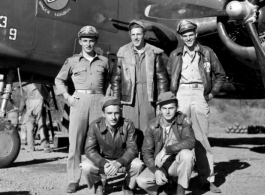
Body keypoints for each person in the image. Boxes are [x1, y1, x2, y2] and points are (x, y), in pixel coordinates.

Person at [167, 20, 226, 193]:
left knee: (201, 139)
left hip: (200, 94)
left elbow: (220, 75)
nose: (188, 38)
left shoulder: (207, 52)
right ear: (181, 37)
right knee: (178, 137)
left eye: (190, 34)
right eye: (184, 36)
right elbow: (170, 76)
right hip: (181, 94)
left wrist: (211, 94)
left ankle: (207, 179)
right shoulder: (175, 55)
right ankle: (176, 179)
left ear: (196, 34)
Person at [55, 26, 110, 193]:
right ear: (80, 42)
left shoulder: (104, 61)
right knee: (75, 143)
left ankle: (98, 179)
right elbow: (59, 80)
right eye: (85, 40)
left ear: (95, 41)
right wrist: (67, 97)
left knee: (98, 143)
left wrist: (106, 99)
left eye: (91, 40)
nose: (88, 43)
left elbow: (109, 81)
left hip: (98, 102)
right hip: (79, 102)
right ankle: (73, 179)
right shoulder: (72, 61)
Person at [111, 19, 169, 139]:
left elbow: (162, 78)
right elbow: (116, 79)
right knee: (129, 127)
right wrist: (116, 102)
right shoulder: (122, 52)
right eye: (133, 34)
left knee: (148, 127)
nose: (136, 37)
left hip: (148, 95)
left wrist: (162, 102)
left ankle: (146, 155)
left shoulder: (154, 52)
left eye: (138, 34)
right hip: (129, 96)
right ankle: (130, 155)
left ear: (144, 35)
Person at [81, 96, 143, 195]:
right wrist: (104, 163)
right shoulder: (94, 125)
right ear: (103, 114)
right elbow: (89, 150)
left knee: (138, 164)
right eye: (109, 113)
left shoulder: (128, 125)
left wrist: (119, 162)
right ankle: (98, 184)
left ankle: (127, 185)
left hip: (123, 160)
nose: (113, 117)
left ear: (121, 112)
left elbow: (132, 149)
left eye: (116, 113)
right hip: (103, 161)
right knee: (86, 166)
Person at [136, 91, 195, 195]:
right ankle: (162, 185)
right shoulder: (152, 125)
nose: (167, 112)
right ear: (159, 109)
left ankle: (180, 190)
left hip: (176, 164)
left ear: (177, 108)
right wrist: (156, 170)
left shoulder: (184, 120)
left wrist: (166, 150)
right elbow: (146, 152)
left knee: (187, 155)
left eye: (171, 108)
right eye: (164, 108)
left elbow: (190, 141)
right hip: (160, 165)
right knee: (142, 181)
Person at [18, 83, 51, 152]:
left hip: (30, 106)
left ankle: (31, 148)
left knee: (29, 128)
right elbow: (48, 94)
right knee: (42, 126)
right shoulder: (42, 86)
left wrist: (20, 112)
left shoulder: (26, 87)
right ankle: (45, 146)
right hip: (40, 106)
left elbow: (23, 100)